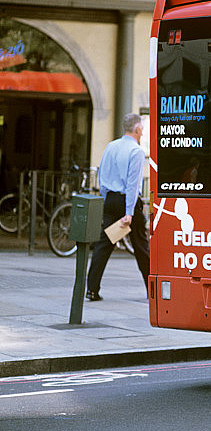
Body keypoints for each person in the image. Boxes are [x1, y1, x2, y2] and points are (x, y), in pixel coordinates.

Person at [86, 113, 149, 301]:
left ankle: (92, 289)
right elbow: (132, 185)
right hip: (127, 203)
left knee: (104, 244)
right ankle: (152, 290)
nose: (142, 133)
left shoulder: (111, 146)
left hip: (111, 200)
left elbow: (102, 177)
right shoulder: (136, 151)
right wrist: (129, 212)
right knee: (141, 245)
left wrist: (107, 200)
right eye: (142, 130)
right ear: (137, 130)